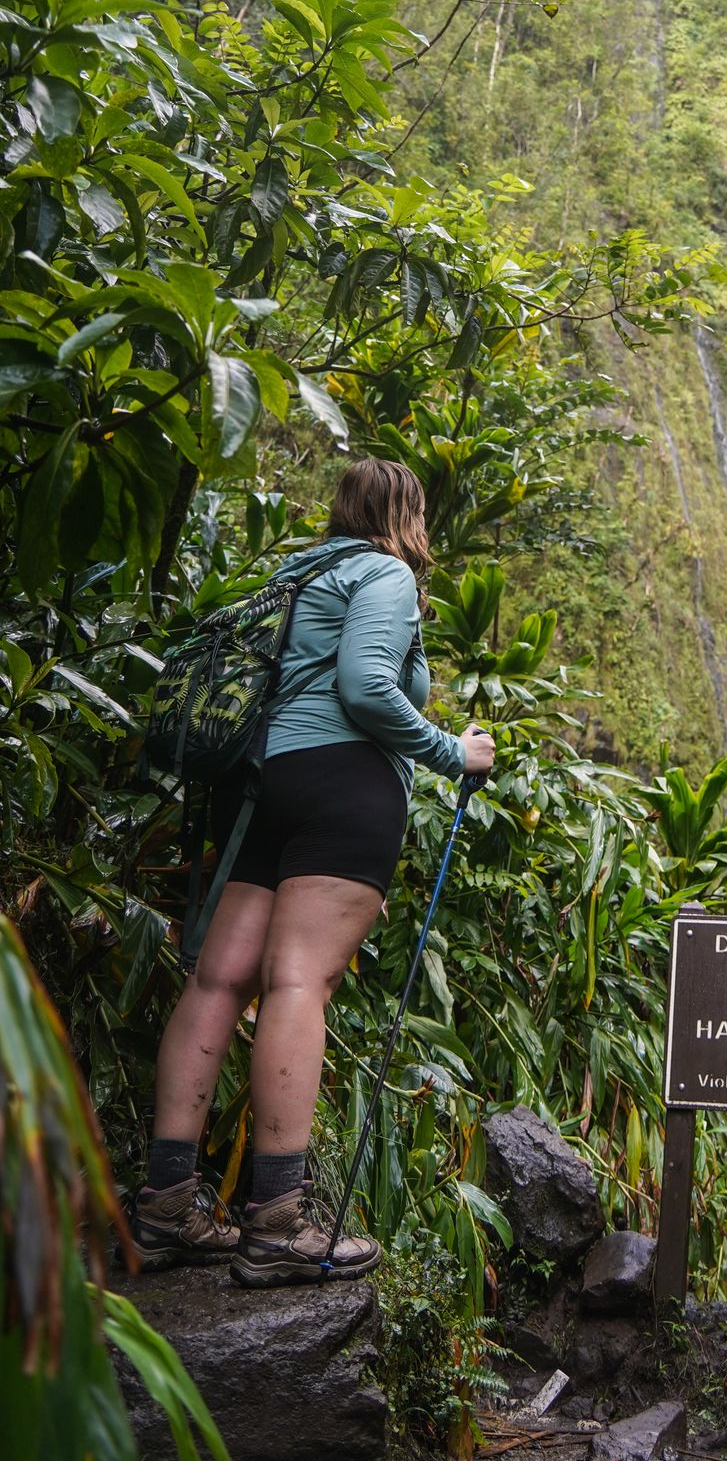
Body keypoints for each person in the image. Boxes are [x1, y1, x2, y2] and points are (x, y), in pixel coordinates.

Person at [127, 458, 495, 1286]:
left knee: (218, 982)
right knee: (298, 984)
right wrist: (453, 754)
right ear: (407, 514)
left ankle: (164, 1207)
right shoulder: (384, 572)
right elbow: (365, 688)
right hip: (343, 788)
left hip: (260, 787)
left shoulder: (298, 574)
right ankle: (279, 1221)